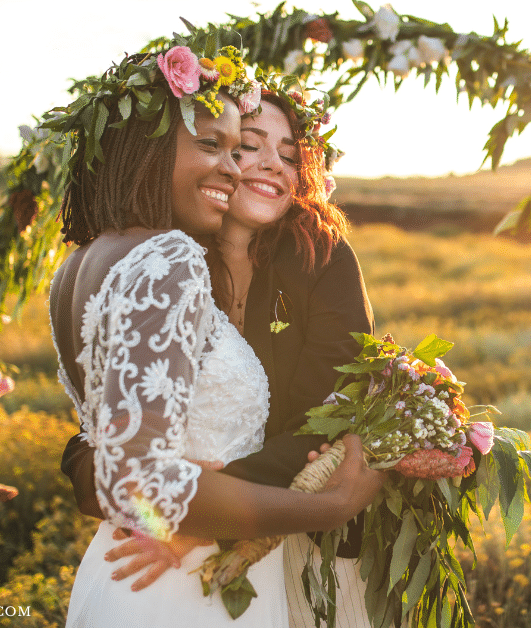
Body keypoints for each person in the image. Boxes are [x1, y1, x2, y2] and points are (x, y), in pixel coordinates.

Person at [48, 46, 381, 628]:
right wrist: (108, 477)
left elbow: (326, 409)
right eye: (240, 147)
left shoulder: (319, 261)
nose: (267, 164)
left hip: (262, 536)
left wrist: (195, 516)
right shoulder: (168, 257)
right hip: (163, 558)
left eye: (290, 154)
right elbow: (121, 426)